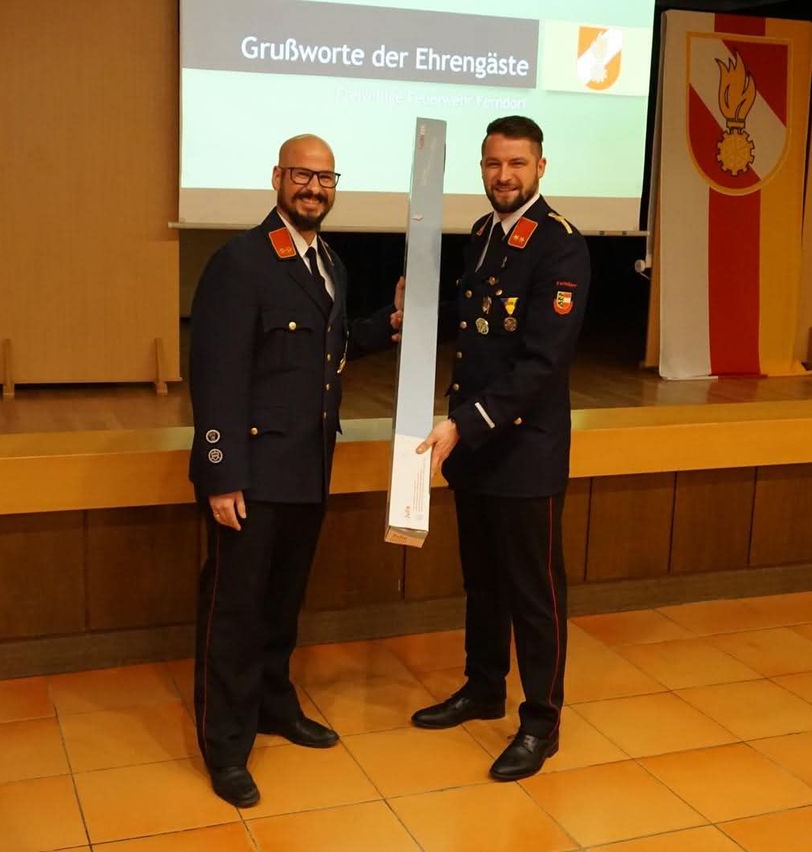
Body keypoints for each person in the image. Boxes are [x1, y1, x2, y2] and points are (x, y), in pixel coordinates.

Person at [188, 133, 403, 807]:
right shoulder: (241, 262)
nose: (314, 188)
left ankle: (273, 705)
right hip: (251, 476)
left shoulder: (328, 261)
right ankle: (225, 746)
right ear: (278, 178)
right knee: (235, 613)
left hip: (308, 466)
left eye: (325, 178)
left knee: (282, 605)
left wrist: (388, 323)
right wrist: (221, 472)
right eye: (302, 176)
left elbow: (328, 347)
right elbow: (216, 375)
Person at [412, 116, 590, 780]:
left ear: (540, 167)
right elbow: (478, 337)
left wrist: (466, 422)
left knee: (533, 593)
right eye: (493, 163)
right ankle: (484, 687)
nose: (503, 175)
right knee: (482, 581)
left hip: (524, 453)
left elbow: (541, 362)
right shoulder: (484, 234)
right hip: (477, 447)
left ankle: (541, 722)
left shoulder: (561, 245)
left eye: (517, 163)